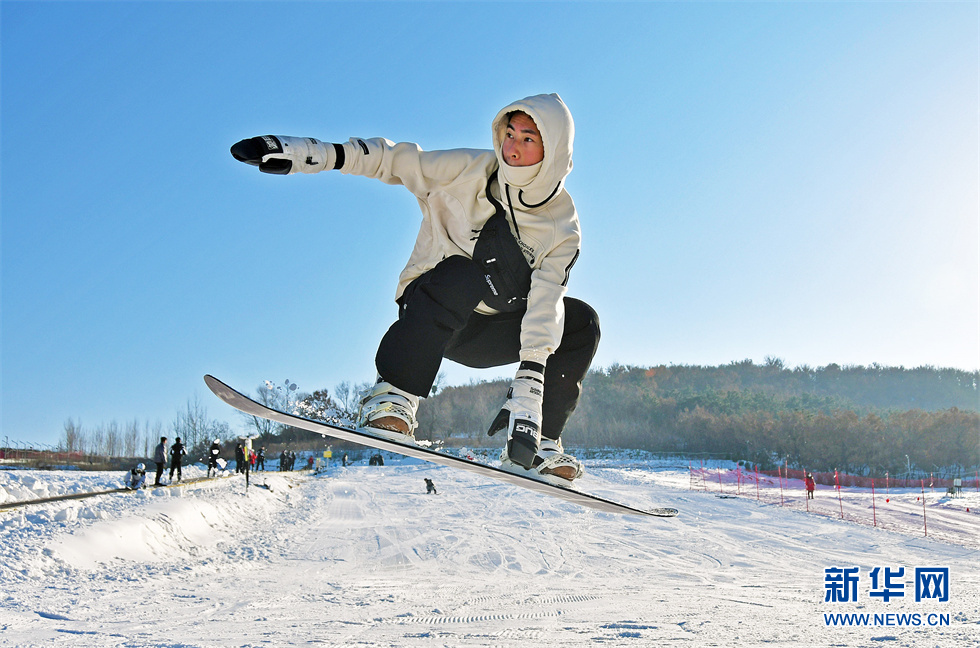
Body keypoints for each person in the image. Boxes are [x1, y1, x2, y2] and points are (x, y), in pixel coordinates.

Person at [231, 93, 599, 483]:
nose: (511, 147)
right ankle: (394, 397)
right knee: (463, 271)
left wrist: (528, 395)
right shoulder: (468, 169)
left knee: (581, 321)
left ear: (554, 149)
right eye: (509, 133)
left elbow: (546, 302)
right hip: (432, 305)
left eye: (528, 139)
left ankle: (539, 443)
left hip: (492, 330)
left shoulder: (562, 224)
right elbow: (391, 160)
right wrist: (309, 153)